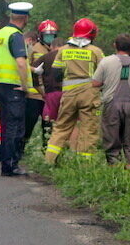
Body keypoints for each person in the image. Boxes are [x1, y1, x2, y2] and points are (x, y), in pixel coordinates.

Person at [45, 18, 105, 164]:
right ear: (91, 34)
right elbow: (105, 73)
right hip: (90, 96)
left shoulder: (63, 50)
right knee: (88, 130)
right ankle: (85, 166)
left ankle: (49, 160)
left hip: (69, 95)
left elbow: (56, 74)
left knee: (61, 128)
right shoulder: (96, 52)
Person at [92, 34, 130, 169]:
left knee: (111, 137)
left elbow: (95, 83)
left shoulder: (106, 61)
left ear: (115, 45)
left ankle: (114, 168)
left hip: (111, 104)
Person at [0, 2, 33, 176]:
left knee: (7, 124)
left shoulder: (0, 33)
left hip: (1, 84)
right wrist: (25, 86)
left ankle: (5, 163)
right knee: (15, 127)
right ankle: (11, 165)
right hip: (14, 87)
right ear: (25, 18)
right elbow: (21, 62)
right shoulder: (16, 35)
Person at [21, 22, 57, 152]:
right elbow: (24, 65)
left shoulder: (56, 50)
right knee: (28, 123)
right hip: (34, 94)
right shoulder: (33, 49)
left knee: (48, 125)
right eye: (47, 35)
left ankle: (45, 150)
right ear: (41, 35)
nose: (49, 38)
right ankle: (21, 149)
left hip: (49, 94)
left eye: (52, 35)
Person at [33, 38, 65, 146]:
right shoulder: (69, 56)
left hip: (51, 94)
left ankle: (47, 147)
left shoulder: (45, 57)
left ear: (52, 46)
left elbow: (34, 73)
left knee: (49, 122)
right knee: (67, 123)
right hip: (68, 94)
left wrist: (41, 92)